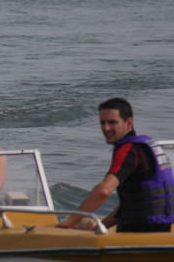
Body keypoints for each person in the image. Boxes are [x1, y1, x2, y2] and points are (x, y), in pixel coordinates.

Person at [57, 97, 174, 233]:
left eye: (112, 122)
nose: (106, 128)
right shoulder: (147, 147)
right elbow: (128, 206)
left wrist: (70, 223)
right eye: (102, 123)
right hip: (161, 232)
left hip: (137, 234)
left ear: (129, 122)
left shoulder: (128, 150)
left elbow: (103, 191)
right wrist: (97, 229)